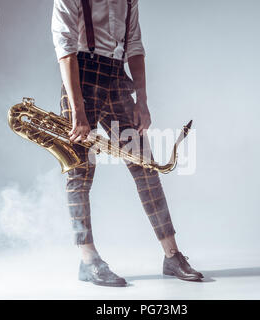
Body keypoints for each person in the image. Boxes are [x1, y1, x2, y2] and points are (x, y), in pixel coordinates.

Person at [52, 0, 203, 286]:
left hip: (117, 77)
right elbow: (65, 48)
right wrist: (78, 110)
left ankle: (172, 256)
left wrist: (142, 101)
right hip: (80, 78)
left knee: (146, 166)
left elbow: (134, 46)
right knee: (79, 171)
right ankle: (88, 259)